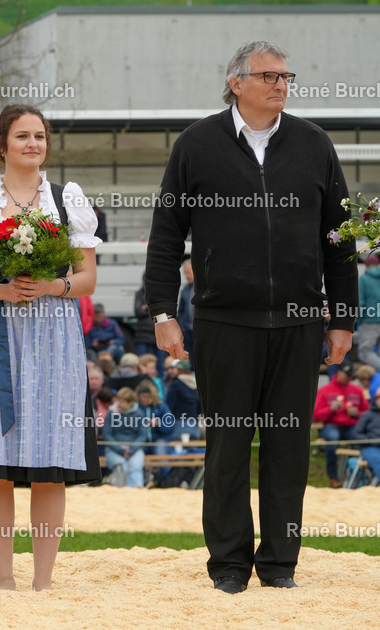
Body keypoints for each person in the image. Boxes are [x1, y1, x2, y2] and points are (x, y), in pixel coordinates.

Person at [145, 41, 358, 592]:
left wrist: (342, 319)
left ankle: (281, 564)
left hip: (298, 321)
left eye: (286, 76)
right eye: (268, 75)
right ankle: (230, 565)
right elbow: (167, 236)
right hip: (223, 321)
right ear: (236, 82)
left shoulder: (314, 145)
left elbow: (339, 241)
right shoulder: (196, 144)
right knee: (227, 450)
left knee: (288, 450)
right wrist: (163, 311)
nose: (280, 84)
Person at [0, 104, 101, 591]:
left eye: (39, 136)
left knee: (52, 463)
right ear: (2, 143)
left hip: (55, 336)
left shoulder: (67, 198)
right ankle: (5, 579)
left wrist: (54, 288)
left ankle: (44, 579)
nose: (33, 144)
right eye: (22, 136)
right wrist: (4, 290)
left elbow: (88, 278)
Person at [313, 360, 368, 488]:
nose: (349, 378)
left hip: (351, 425)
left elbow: (367, 413)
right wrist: (330, 409)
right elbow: (315, 415)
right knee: (332, 438)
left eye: (351, 376)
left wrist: (357, 413)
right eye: (347, 375)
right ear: (339, 373)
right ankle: (333, 477)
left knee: (359, 439)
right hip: (331, 425)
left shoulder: (356, 390)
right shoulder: (325, 390)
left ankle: (353, 475)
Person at [103, 387, 146, 488]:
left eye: (123, 401)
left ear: (130, 402)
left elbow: (142, 435)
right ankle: (120, 490)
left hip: (134, 448)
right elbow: (107, 434)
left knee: (135, 466)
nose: (119, 403)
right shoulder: (111, 413)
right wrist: (120, 450)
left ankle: (137, 490)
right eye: (119, 400)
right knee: (121, 466)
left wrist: (132, 449)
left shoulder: (139, 414)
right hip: (114, 449)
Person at [355, 255, 380, 371]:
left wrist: (358, 321)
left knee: (365, 352)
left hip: (370, 320)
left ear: (366, 266)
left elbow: (361, 303)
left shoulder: (364, 279)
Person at [350, 391, 380, 482]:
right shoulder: (367, 415)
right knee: (378, 460)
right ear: (376, 400)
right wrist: (371, 441)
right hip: (370, 447)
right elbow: (356, 434)